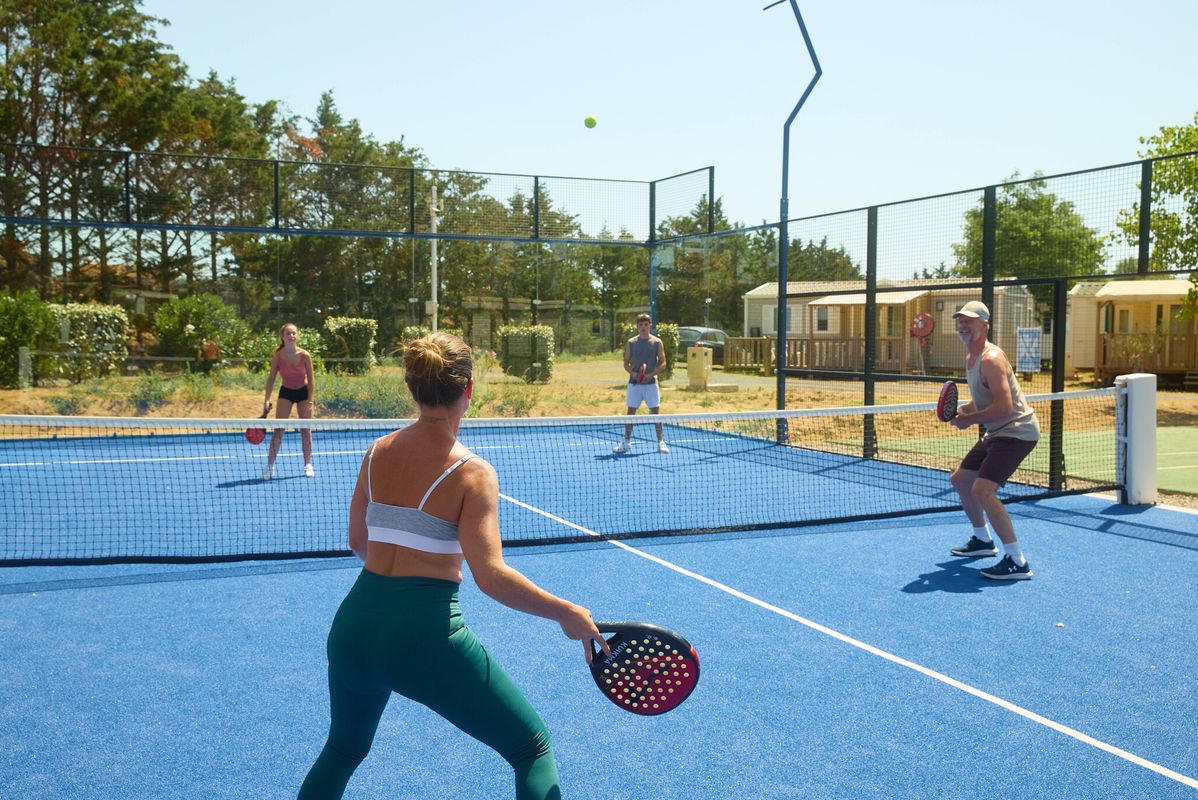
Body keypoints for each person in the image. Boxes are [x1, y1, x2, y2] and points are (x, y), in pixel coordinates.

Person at [297, 332, 608, 800]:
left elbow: (358, 541)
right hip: (426, 634)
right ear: (469, 389)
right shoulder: (472, 473)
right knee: (530, 749)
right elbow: (491, 576)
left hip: (354, 626)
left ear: (412, 387)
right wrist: (566, 612)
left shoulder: (376, 452)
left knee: (343, 750)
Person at [944, 301, 1041, 580]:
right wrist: (966, 409)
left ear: (985, 325)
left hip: (1016, 431)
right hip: (998, 431)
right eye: (960, 321)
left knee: (982, 490)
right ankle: (983, 541)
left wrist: (967, 420)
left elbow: (1005, 407)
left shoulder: (991, 358)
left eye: (970, 321)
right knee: (961, 480)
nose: (963, 325)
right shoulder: (971, 359)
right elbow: (985, 399)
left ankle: (1017, 561)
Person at [261, 323, 316, 479]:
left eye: (294, 333)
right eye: (288, 334)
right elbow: (271, 379)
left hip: (303, 393)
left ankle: (308, 465)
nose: (291, 336)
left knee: (305, 430)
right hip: (286, 392)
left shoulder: (305, 355)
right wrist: (266, 400)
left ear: (297, 336)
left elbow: (312, 380)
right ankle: (270, 467)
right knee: (279, 429)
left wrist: (310, 401)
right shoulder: (278, 356)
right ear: (282, 337)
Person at [612, 313, 669, 454]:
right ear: (637, 326)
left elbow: (663, 363)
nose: (643, 327)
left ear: (650, 325)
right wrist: (634, 374)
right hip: (634, 384)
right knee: (631, 412)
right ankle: (626, 442)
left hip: (651, 385)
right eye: (640, 324)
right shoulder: (631, 342)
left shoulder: (657, 342)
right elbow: (626, 363)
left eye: (646, 324)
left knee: (655, 412)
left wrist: (651, 375)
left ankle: (661, 442)